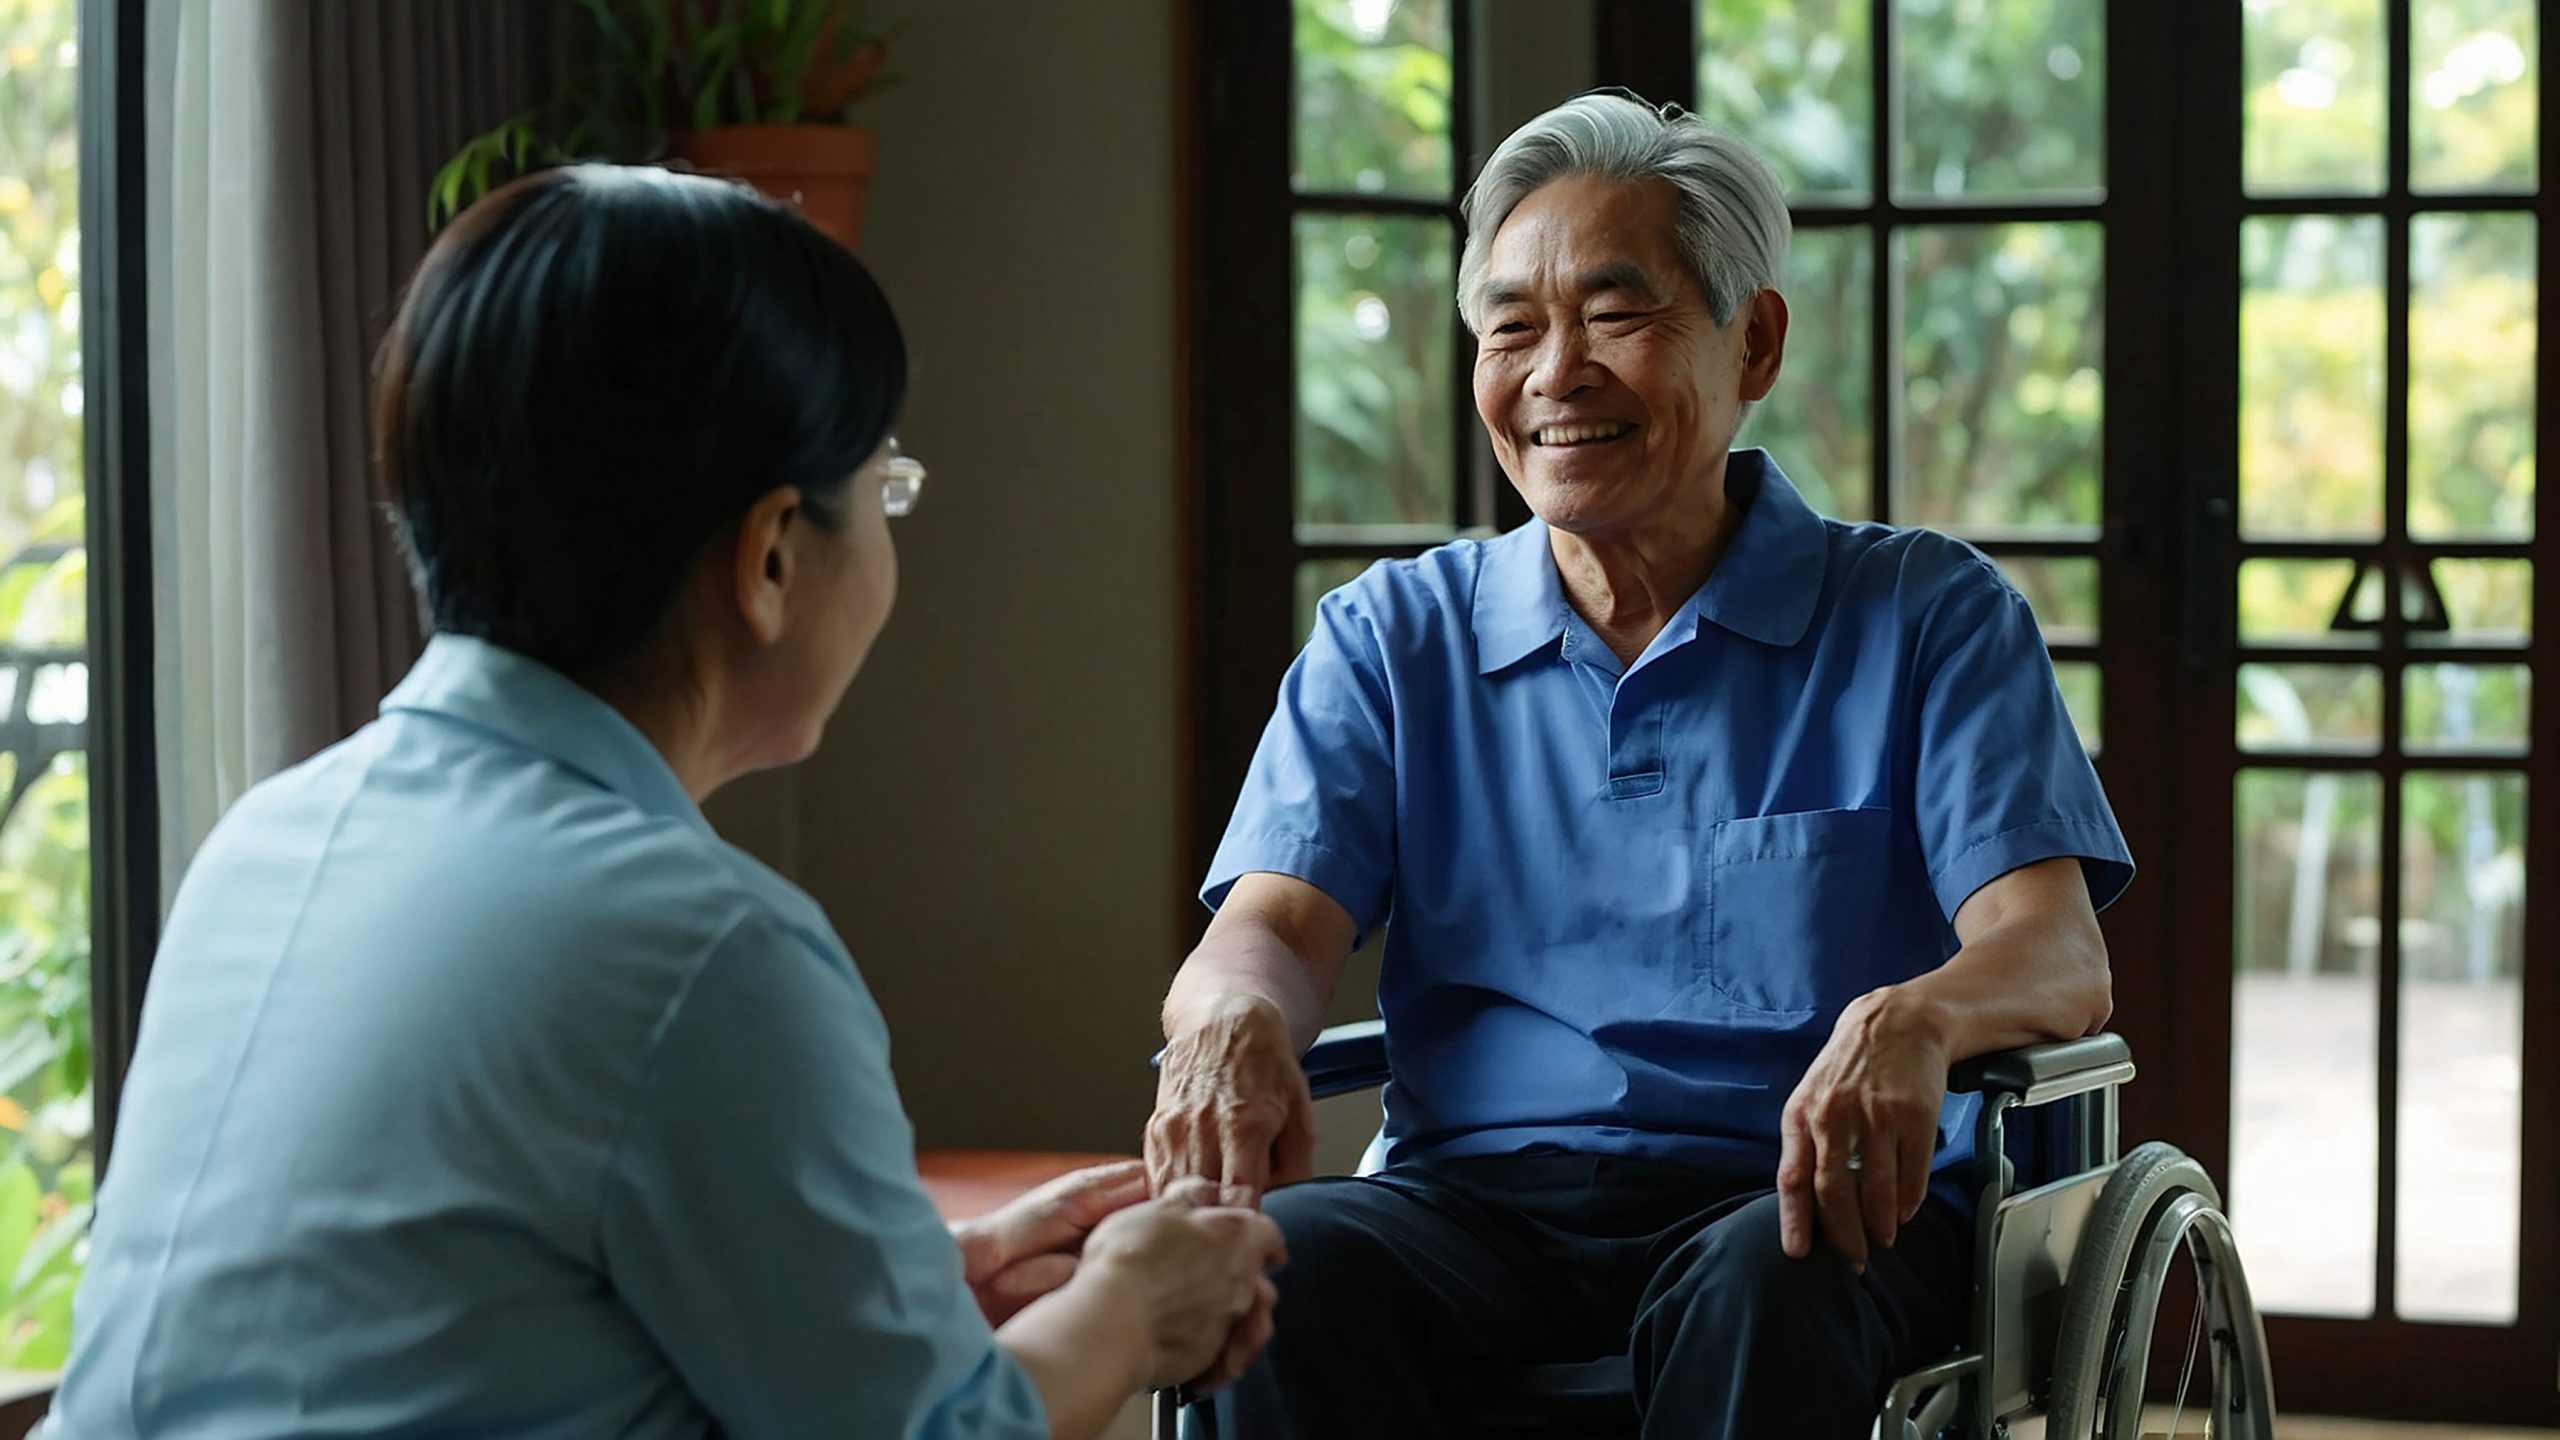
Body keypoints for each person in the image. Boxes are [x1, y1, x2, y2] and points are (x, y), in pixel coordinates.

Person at [50, 166, 1283, 1440]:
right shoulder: (699, 946)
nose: (887, 534)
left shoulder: (268, 841)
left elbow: (460, 1330)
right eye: (882, 488)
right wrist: (1132, 1310)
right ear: (767, 561)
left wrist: (922, 1291)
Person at [1147, 92, 2132, 1438]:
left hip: (1799, 1198)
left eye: (1616, 315)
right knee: (1288, 1274)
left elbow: (2057, 953)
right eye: (1512, 328)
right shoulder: (1394, 637)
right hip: (1473, 1206)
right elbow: (1270, 926)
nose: (1556, 372)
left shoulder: (1927, 618)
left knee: (1760, 1281)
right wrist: (1231, 1025)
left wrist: (1915, 1019)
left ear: (1756, 341)